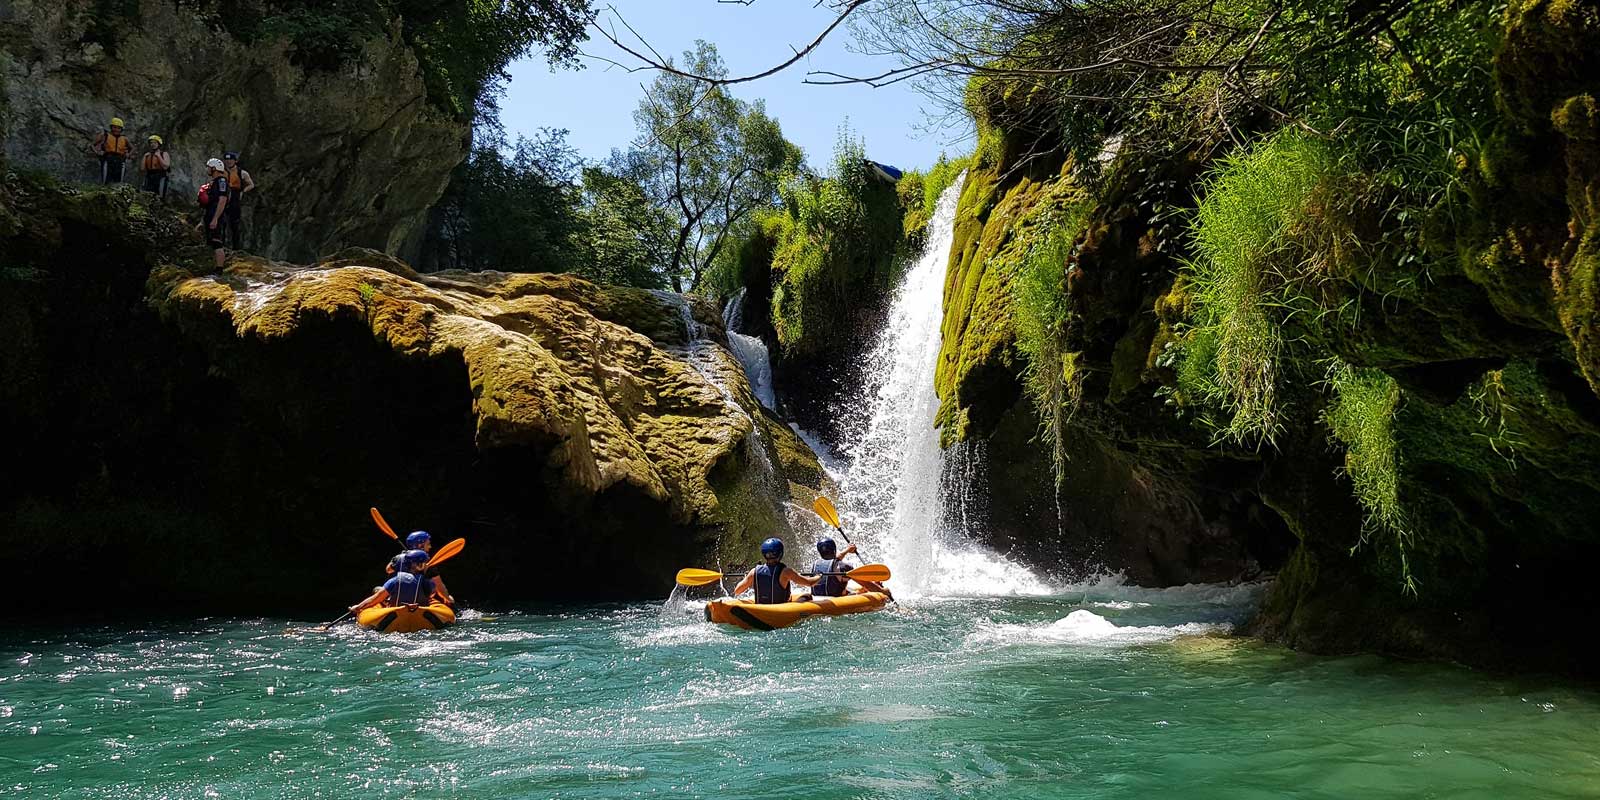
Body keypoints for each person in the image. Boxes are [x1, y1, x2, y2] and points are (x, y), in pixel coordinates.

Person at [732, 538, 819, 604]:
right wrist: (819, 576)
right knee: (807, 596)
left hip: (760, 609)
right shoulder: (786, 572)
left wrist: (747, 577)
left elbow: (737, 591)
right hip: (781, 610)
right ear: (780, 553)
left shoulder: (753, 572)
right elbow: (810, 583)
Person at [351, 550, 436, 612]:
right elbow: (429, 597)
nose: (427, 565)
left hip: (395, 614)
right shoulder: (429, 583)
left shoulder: (394, 581)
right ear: (420, 566)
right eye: (426, 563)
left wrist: (358, 607)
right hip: (419, 616)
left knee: (377, 590)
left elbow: (374, 600)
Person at [385, 530, 454, 605]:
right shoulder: (427, 563)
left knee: (380, 588)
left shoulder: (399, 558)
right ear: (420, 546)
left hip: (396, 598)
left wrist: (397, 559)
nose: (430, 546)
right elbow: (439, 586)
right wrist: (448, 598)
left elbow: (388, 570)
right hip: (419, 601)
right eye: (428, 544)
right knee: (432, 585)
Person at [810, 538, 888, 598]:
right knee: (866, 589)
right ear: (834, 550)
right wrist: (882, 591)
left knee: (857, 590)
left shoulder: (815, 564)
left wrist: (848, 550)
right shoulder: (844, 567)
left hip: (817, 598)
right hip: (836, 600)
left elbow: (833, 561)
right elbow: (866, 584)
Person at [199, 158, 230, 270]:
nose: (207, 169)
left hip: (216, 214)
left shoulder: (222, 182)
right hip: (210, 213)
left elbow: (222, 200)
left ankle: (219, 269)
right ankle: (212, 266)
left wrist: (215, 218)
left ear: (214, 169)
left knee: (217, 241)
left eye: (209, 167)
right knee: (210, 241)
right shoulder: (214, 182)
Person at [221, 151, 255, 250]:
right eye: (226, 160)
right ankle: (221, 246)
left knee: (234, 224)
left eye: (231, 160)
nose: (229, 162)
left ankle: (236, 248)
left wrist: (243, 191)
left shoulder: (242, 173)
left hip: (235, 197)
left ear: (235, 161)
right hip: (224, 196)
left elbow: (251, 184)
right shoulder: (221, 172)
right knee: (221, 222)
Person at [92, 117, 132, 184]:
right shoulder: (105, 135)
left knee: (119, 182)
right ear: (111, 127)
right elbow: (92, 145)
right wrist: (97, 152)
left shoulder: (124, 139)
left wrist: (128, 154)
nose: (116, 129)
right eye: (114, 127)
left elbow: (132, 148)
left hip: (120, 160)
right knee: (106, 181)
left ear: (121, 129)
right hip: (108, 159)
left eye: (118, 128)